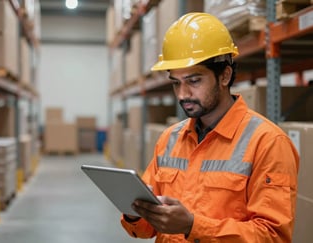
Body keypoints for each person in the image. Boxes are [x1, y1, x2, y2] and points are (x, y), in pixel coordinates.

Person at [120, 12, 299, 242]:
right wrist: (134, 213)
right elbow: (146, 228)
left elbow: (273, 237)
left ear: (224, 75)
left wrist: (193, 226)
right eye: (176, 83)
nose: (183, 94)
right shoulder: (169, 139)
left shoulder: (268, 143)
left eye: (194, 81)